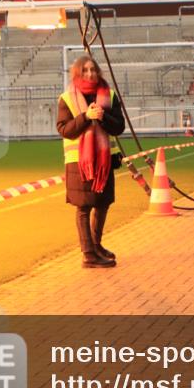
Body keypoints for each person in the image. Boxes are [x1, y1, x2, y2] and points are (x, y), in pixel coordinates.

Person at [56, 55, 125, 268]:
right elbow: (64, 129)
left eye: (93, 69)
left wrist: (103, 116)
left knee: (103, 204)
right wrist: (86, 116)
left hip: (105, 162)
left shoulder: (110, 95)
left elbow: (119, 127)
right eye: (85, 70)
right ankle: (88, 254)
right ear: (77, 73)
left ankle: (96, 245)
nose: (90, 74)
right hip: (79, 163)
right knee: (84, 207)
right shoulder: (67, 98)